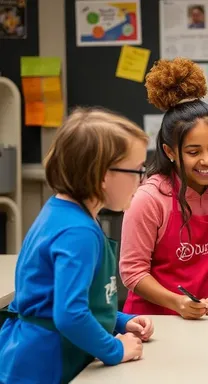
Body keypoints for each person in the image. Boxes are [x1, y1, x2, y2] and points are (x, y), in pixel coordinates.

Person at [0, 108, 154, 384]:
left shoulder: (68, 213)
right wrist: (116, 349)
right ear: (103, 175)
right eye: (136, 170)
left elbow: (71, 298)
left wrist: (119, 321)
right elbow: (69, 315)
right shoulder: (78, 231)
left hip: (44, 353)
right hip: (43, 365)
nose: (141, 180)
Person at [119, 57, 208, 320]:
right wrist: (178, 303)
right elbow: (133, 272)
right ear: (170, 152)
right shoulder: (149, 199)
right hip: (152, 325)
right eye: (193, 152)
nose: (207, 160)